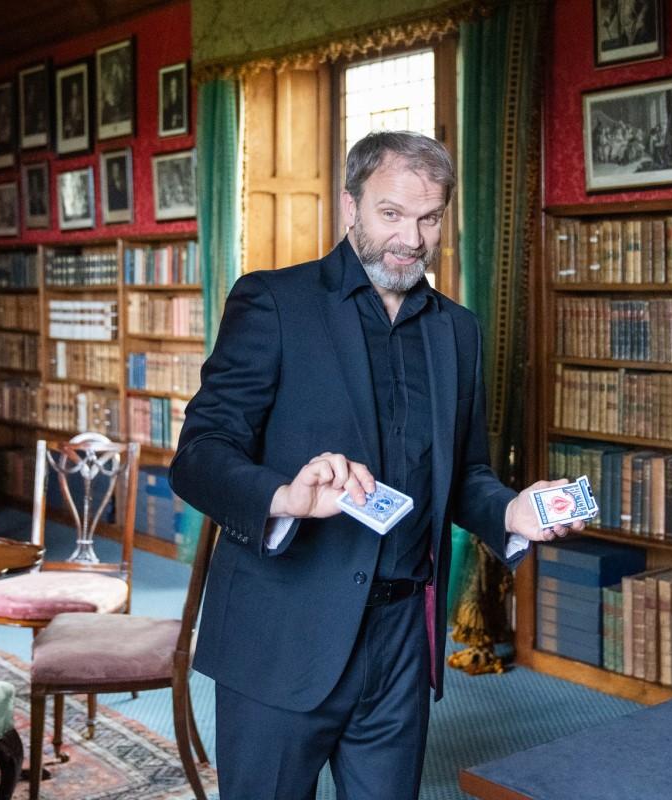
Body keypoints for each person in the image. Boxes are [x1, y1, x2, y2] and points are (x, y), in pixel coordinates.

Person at [169, 130, 583, 799]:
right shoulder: (273, 303)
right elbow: (197, 458)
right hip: (283, 631)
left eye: (429, 218)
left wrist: (509, 510)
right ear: (349, 207)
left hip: (398, 641)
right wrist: (285, 497)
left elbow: (464, 474)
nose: (411, 239)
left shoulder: (459, 331)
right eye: (392, 214)